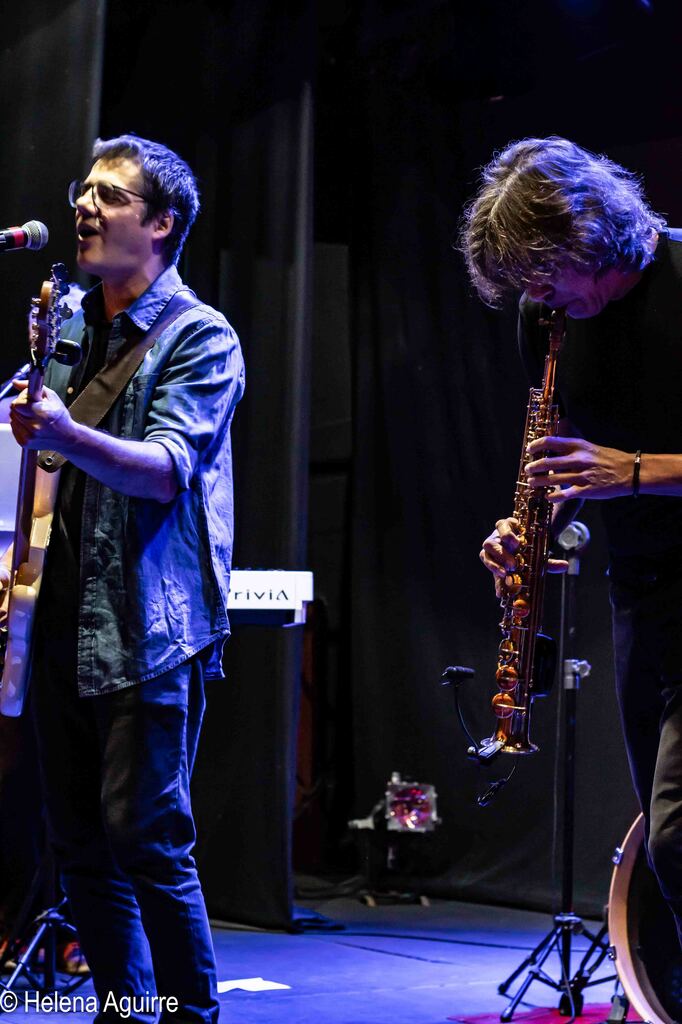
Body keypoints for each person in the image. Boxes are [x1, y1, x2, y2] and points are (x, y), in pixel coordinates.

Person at [8, 133, 245, 1022]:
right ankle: (123, 1010)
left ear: (162, 223)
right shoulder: (69, 324)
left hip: (146, 628)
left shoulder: (201, 336)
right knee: (78, 846)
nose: (85, 205)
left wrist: (64, 433)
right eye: (85, 190)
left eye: (110, 195)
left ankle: (189, 1015)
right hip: (55, 619)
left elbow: (167, 469)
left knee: (145, 837)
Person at [460, 136, 682, 946]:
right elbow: (564, 461)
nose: (534, 294)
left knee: (677, 836)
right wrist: (523, 527)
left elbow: (615, 466)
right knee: (667, 849)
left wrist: (637, 470)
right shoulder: (548, 315)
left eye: (543, 271)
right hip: (644, 595)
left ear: (590, 230)